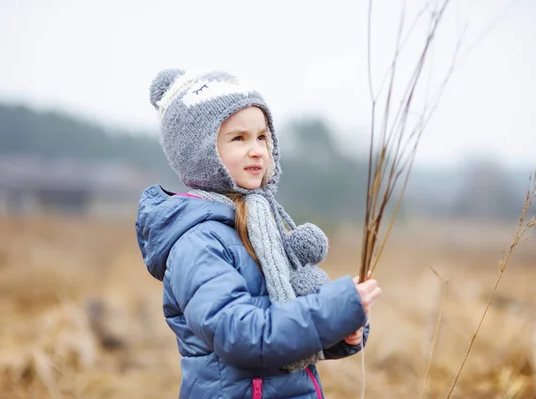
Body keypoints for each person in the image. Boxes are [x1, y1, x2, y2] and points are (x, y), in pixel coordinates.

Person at [135, 67, 382, 399]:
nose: (257, 150)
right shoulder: (198, 242)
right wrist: (332, 309)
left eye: (262, 136)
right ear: (200, 152)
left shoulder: (259, 227)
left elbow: (284, 328)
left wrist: (340, 332)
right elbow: (242, 335)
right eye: (239, 138)